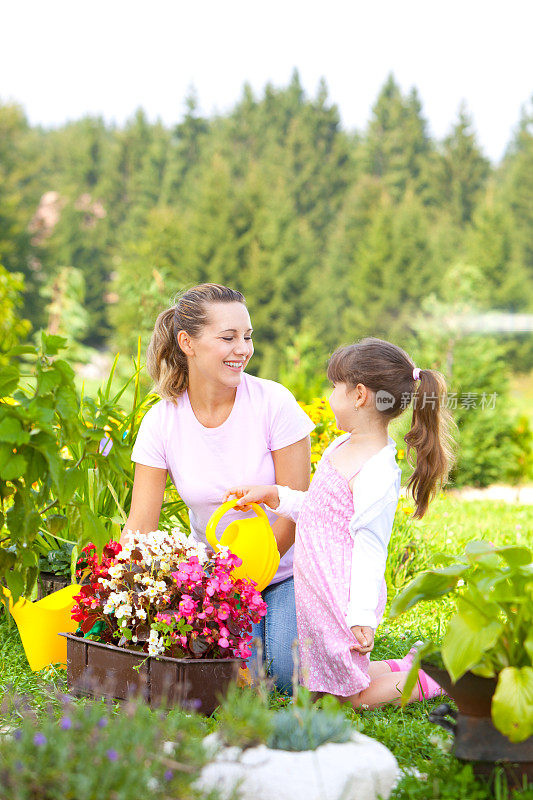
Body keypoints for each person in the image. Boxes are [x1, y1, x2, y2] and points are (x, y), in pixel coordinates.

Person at [224, 337, 457, 708]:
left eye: (335, 388)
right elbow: (320, 510)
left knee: (346, 698)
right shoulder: (341, 447)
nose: (330, 396)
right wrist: (275, 496)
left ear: (360, 395)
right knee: (328, 683)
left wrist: (361, 615)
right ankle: (408, 666)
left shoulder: (377, 468)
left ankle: (430, 680)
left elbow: (371, 547)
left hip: (343, 596)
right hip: (318, 587)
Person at [122, 283, 314, 692]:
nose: (242, 349)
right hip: (212, 581)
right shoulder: (162, 421)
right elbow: (140, 524)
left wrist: (241, 586)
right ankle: (250, 636)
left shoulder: (274, 404)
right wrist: (124, 589)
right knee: (207, 671)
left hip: (284, 571)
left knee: (282, 674)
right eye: (228, 338)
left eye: (247, 337)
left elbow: (296, 512)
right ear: (187, 342)